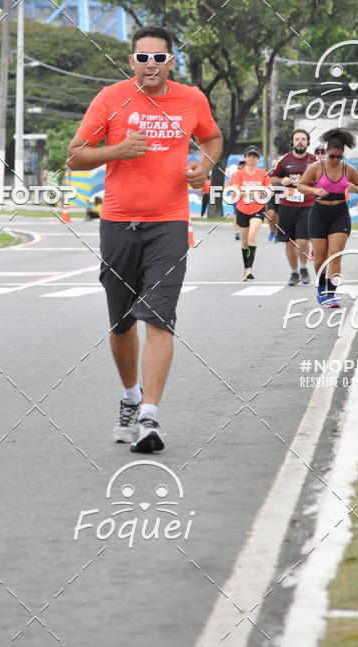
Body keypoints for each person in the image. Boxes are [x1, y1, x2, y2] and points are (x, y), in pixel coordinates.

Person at [67, 25, 222, 453]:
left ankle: (149, 416)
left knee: (159, 316)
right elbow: (75, 156)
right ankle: (130, 396)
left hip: (169, 223)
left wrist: (204, 166)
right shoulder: (110, 99)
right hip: (118, 224)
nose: (150, 65)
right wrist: (117, 151)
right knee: (121, 323)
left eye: (158, 57)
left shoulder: (191, 99)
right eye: (142, 57)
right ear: (131, 61)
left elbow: (212, 136)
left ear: (171, 61)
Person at [298, 128, 358, 309]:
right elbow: (301, 186)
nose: (335, 160)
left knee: (335, 256)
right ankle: (321, 286)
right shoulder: (316, 167)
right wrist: (314, 190)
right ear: (326, 151)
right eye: (332, 156)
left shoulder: (348, 169)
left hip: (340, 214)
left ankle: (330, 294)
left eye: (339, 156)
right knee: (320, 259)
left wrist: (355, 189)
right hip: (319, 214)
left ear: (343, 154)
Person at [269, 129, 316, 286]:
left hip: (307, 205)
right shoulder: (284, 159)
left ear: (308, 142)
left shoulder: (314, 160)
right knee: (289, 241)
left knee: (302, 240)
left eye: (303, 139)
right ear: (292, 142)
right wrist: (281, 181)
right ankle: (294, 272)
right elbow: (272, 178)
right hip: (287, 205)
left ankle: (303, 267)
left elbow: (322, 178)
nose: (300, 142)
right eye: (297, 139)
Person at [227, 147, 271, 280]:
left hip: (257, 209)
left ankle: (250, 269)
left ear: (258, 159)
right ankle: (245, 268)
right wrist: (256, 190)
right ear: (245, 158)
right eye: (249, 156)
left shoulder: (263, 173)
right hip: (242, 210)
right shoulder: (239, 174)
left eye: (254, 156)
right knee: (244, 241)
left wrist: (260, 191)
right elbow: (235, 191)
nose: (251, 158)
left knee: (252, 236)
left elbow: (270, 191)